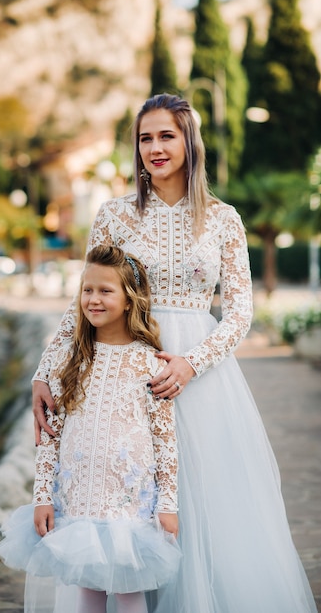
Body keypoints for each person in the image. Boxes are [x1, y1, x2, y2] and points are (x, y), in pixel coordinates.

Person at [30, 93, 317, 613]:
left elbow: (240, 314)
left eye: (167, 135)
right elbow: (84, 302)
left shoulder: (224, 219)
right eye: (145, 138)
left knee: (196, 500)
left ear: (190, 141)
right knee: (125, 502)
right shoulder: (114, 216)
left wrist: (191, 363)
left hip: (199, 374)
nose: (156, 147)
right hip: (120, 373)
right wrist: (42, 373)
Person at [0, 245, 182, 613]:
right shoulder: (68, 360)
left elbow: (165, 440)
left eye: (105, 291)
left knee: (129, 591)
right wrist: (42, 496)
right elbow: (50, 437)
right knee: (87, 588)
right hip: (78, 496)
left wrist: (168, 503)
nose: (93, 300)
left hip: (128, 499)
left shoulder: (150, 363)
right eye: (87, 290)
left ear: (130, 300)